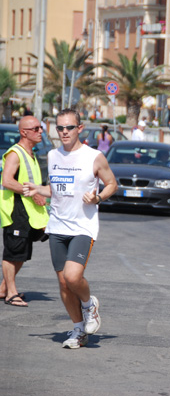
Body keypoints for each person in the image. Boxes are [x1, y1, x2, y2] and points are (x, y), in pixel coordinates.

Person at [24, 108, 117, 349]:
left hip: (83, 227)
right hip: (57, 226)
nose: (64, 132)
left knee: (73, 276)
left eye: (69, 127)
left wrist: (98, 198)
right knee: (63, 284)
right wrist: (37, 189)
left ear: (80, 128)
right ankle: (78, 329)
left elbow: (111, 184)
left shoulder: (94, 157)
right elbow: (55, 189)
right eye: (60, 128)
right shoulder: (53, 156)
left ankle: (89, 304)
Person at [0, 116, 49, 307]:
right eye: (35, 128)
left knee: (21, 252)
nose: (40, 131)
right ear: (23, 132)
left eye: (40, 128)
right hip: (16, 210)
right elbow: (7, 181)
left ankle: (4, 288)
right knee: (13, 252)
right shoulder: (15, 153)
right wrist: (32, 193)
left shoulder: (32, 154)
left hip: (30, 212)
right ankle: (11, 293)